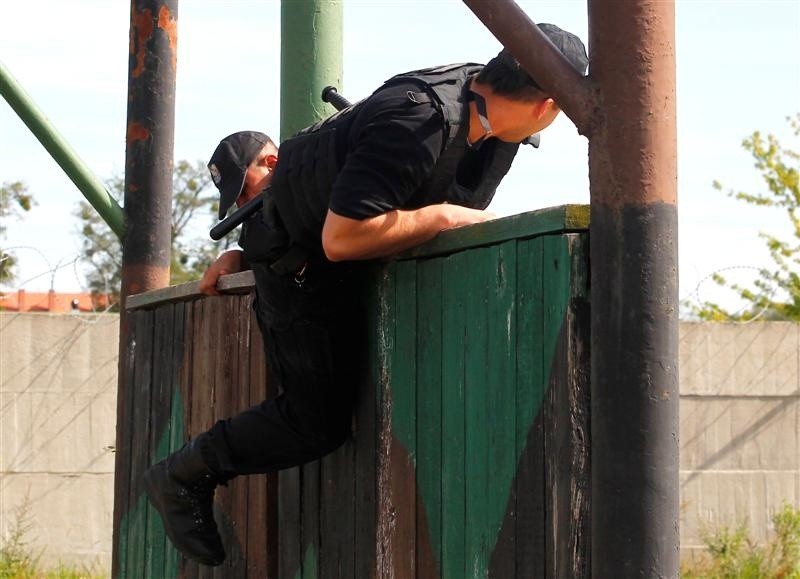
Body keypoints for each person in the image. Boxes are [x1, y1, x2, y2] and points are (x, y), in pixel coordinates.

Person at [145, 23, 588, 567]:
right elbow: (342, 237)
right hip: (299, 260)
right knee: (314, 424)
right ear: (548, 104)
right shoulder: (420, 117)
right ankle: (183, 472)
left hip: (343, 254)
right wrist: (442, 215)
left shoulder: (495, 125)